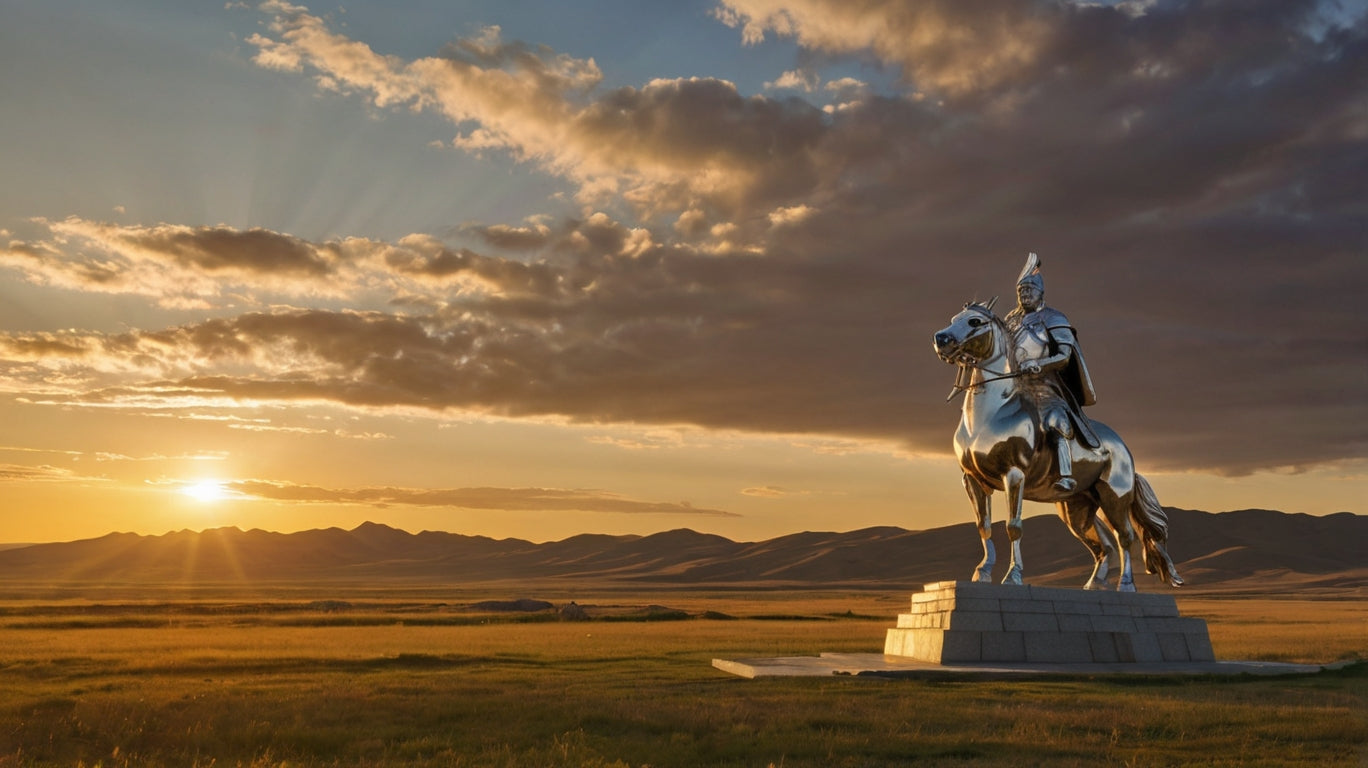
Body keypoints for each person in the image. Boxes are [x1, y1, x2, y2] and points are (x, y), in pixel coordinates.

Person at [1003, 253, 1099, 492]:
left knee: (1056, 421)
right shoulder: (1010, 320)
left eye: (1029, 290)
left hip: (1046, 388)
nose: (1024, 295)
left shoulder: (1054, 317)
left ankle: (1066, 474)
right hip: (1014, 386)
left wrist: (1039, 365)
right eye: (1021, 291)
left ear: (1040, 293)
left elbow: (1064, 356)